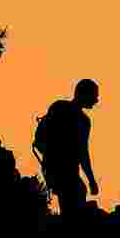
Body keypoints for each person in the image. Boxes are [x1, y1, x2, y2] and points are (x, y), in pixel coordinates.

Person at [33, 79, 101, 217]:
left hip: (51, 168)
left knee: (72, 203)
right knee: (76, 201)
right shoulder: (83, 121)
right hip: (66, 172)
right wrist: (92, 180)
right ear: (83, 94)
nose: (96, 100)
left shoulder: (58, 106)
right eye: (94, 95)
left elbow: (42, 138)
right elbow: (83, 153)